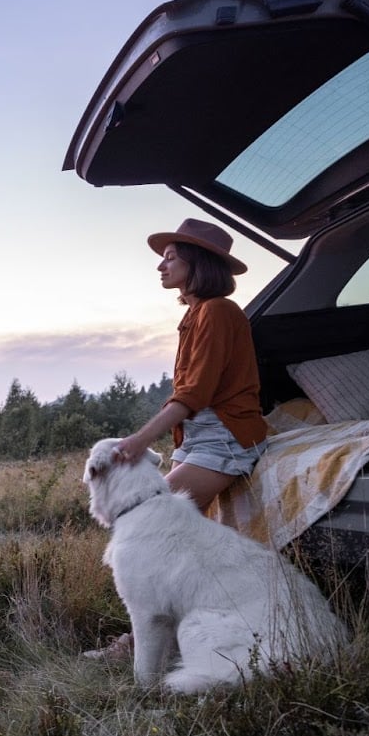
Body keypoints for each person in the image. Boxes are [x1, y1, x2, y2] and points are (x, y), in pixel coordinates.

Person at [85, 217, 267, 662]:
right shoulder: (197, 314)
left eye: (170, 257)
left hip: (225, 438)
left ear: (197, 262)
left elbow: (195, 393)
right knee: (171, 548)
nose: (160, 266)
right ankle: (171, 634)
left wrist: (137, 440)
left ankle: (143, 644)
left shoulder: (219, 312)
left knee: (149, 525)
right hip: (202, 437)